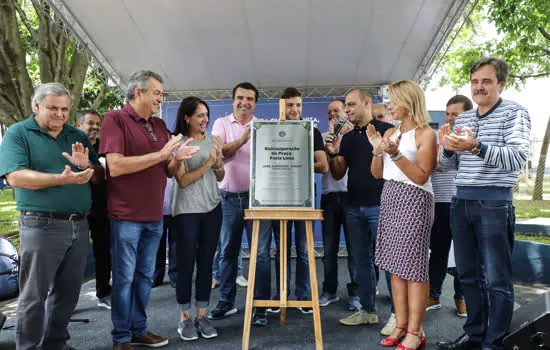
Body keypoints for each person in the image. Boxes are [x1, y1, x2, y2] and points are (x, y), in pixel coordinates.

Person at [99, 70, 199, 349]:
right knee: (123, 279)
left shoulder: (158, 124)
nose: (160, 98)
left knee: (145, 278)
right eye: (156, 92)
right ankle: (121, 337)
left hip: (154, 216)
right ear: (138, 92)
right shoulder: (114, 119)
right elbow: (115, 166)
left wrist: (177, 159)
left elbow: (168, 171)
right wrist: (162, 154)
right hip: (126, 216)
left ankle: (139, 329)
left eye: (161, 93)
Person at [0, 82, 104, 350]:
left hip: (79, 225)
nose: (60, 114)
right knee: (34, 295)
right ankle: (29, 347)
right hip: (40, 224)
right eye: (53, 108)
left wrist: (89, 166)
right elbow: (15, 176)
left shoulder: (75, 134)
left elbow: (100, 176)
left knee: (68, 294)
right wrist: (61, 179)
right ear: (36, 106)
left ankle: (56, 344)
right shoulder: (18, 133)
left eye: (65, 109)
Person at [437, 57, 531, 350]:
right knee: (467, 275)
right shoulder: (463, 119)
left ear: (502, 84)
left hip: (494, 202)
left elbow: (517, 158)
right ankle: (475, 335)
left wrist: (476, 146)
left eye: (487, 81)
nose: (479, 87)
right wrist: (448, 149)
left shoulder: (515, 113)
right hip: (461, 201)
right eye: (475, 81)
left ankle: (494, 342)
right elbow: (448, 164)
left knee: (496, 279)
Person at [368, 79, 437, 350]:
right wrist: (377, 151)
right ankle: (400, 325)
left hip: (415, 200)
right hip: (391, 197)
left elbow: (421, 177)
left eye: (394, 100)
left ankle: (415, 331)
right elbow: (377, 174)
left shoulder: (426, 134)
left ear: (409, 101)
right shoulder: (391, 134)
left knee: (414, 269)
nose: (389, 106)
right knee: (396, 267)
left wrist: (395, 154)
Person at [325, 88, 394, 330]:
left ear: (367, 103)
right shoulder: (350, 138)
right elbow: (338, 172)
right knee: (361, 261)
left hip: (381, 206)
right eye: (346, 106)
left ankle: (398, 316)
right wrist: (333, 153)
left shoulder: (387, 131)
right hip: (353, 207)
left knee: (390, 261)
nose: (348, 110)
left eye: (352, 105)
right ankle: (367, 310)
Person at [208, 82, 273, 327]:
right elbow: (219, 153)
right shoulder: (221, 124)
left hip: (259, 201)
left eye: (250, 99)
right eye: (240, 98)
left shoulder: (263, 127)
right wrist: (244, 139)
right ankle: (226, 302)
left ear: (256, 103)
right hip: (228, 201)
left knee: (262, 255)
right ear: (232, 100)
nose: (244, 102)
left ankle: (261, 307)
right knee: (227, 252)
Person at [269, 87, 328, 315]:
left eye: (298, 105)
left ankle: (303, 296)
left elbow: (322, 165)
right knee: (281, 249)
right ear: (281, 106)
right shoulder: (271, 130)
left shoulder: (311, 132)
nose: (295, 109)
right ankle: (281, 294)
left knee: (304, 249)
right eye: (290, 105)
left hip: (304, 196)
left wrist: (296, 165)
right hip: (277, 197)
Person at [172, 97, 224, 341]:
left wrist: (219, 164)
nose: (205, 119)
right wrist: (208, 164)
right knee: (186, 265)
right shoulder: (179, 143)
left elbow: (220, 176)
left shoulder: (215, 140)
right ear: (187, 117)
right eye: (200, 115)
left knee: (206, 264)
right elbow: (181, 181)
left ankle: (202, 315)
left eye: (206, 114)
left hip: (212, 208)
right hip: (187, 211)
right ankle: (184, 318)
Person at [426, 95, 473, 318]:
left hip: (463, 202)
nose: (450, 118)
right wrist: (440, 151)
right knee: (438, 252)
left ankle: (461, 298)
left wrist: (444, 156)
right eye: (448, 113)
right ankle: (434, 295)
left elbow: (449, 166)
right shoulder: (437, 136)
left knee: (464, 253)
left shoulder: (472, 139)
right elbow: (433, 165)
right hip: (439, 203)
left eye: (456, 114)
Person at [319, 99, 355, 308]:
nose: (333, 114)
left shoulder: (355, 137)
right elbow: (325, 167)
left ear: (345, 113)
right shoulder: (324, 138)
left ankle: (356, 294)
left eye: (337, 111)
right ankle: (329, 291)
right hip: (330, 198)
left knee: (355, 249)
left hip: (352, 197)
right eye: (330, 111)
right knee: (329, 250)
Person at [76, 109, 112, 309]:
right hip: (76, 211)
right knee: (73, 257)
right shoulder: (68, 146)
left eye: (98, 124)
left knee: (104, 253)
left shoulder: (104, 148)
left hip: (101, 209)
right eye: (91, 123)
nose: (95, 128)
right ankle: (65, 300)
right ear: (78, 124)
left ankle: (104, 292)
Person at [152, 176, 177, 288]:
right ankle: (157, 276)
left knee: (176, 246)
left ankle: (175, 276)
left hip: (176, 211)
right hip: (157, 211)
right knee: (157, 246)